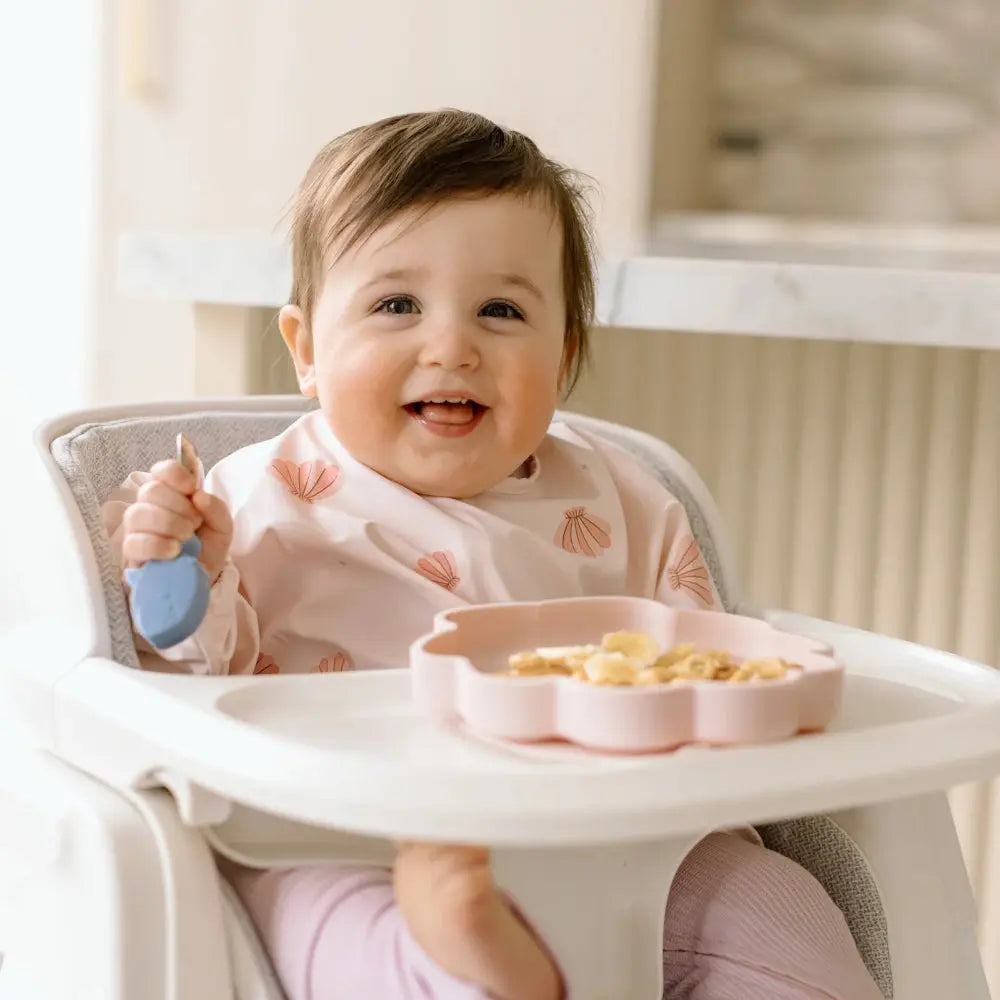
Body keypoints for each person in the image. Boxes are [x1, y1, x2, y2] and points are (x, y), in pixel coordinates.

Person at [103, 109, 882, 1000]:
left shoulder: (621, 496)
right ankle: (463, 962)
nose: (452, 347)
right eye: (397, 305)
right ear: (307, 349)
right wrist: (185, 569)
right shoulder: (254, 497)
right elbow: (193, 682)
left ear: (565, 355)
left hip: (616, 841)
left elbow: (701, 661)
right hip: (339, 838)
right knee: (316, 922)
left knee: (774, 907)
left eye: (501, 311)